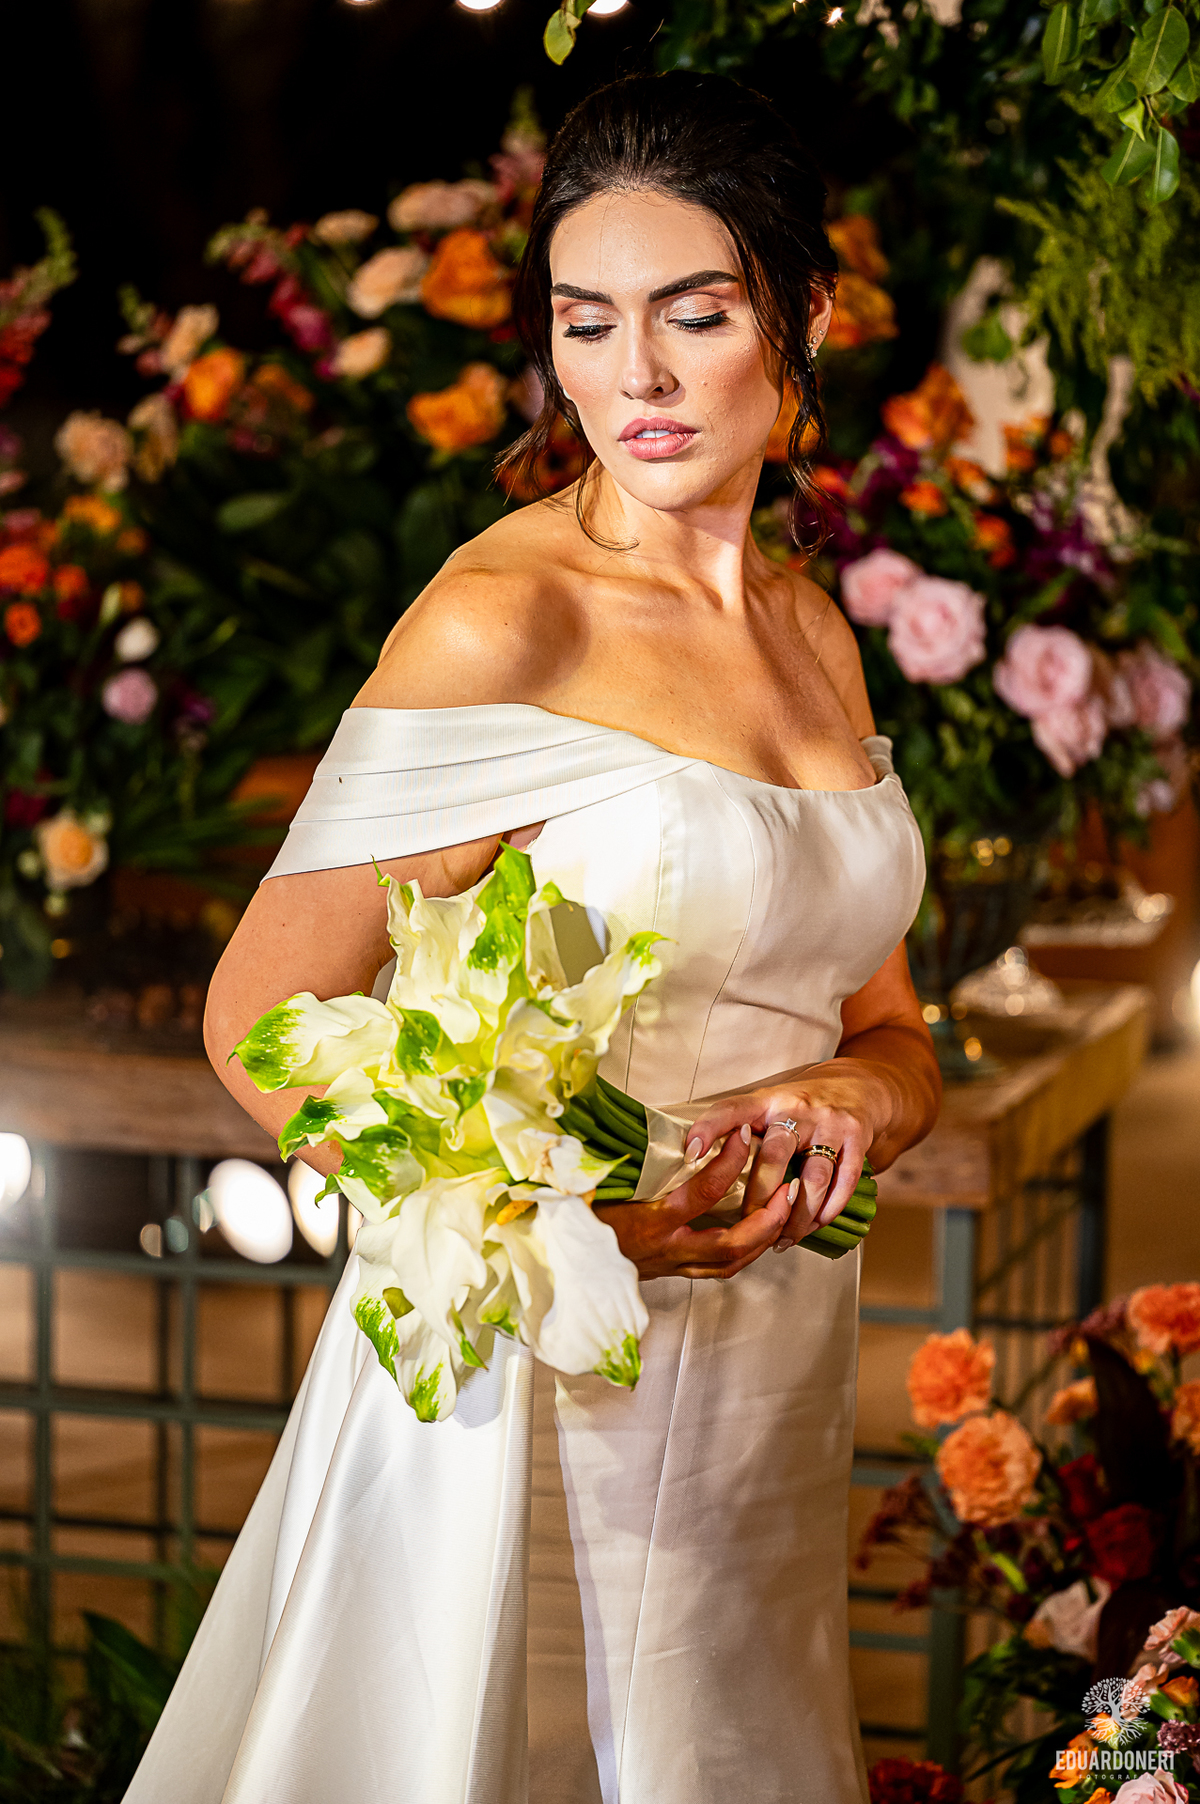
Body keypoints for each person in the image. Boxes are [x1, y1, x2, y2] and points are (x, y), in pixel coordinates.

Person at [127, 70, 940, 1804]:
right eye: (589, 323)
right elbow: (257, 1011)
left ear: (804, 314)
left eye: (693, 314)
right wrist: (566, 1229)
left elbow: (893, 1027)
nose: (634, 377)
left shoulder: (815, 628)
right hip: (540, 1377)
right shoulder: (510, 622)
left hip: (775, 1370)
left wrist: (863, 1110)